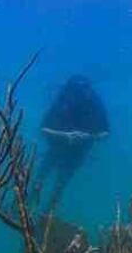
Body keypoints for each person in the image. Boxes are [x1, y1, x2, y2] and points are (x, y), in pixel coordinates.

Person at [40, 75, 109, 213]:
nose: (79, 95)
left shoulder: (94, 104)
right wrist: (65, 136)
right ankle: (22, 207)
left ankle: (47, 215)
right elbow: (43, 129)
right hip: (57, 148)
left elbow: (105, 132)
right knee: (40, 179)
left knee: (59, 186)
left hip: (77, 152)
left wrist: (89, 137)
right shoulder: (63, 101)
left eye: (82, 90)